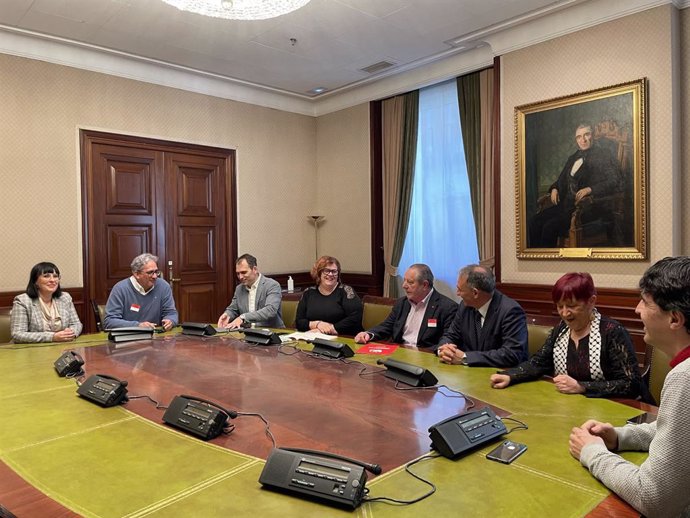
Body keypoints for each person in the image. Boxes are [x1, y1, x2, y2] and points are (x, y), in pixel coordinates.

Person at [568, 257, 690, 517]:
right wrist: (620, 437)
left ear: (675, 319)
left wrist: (592, 452)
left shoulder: (685, 377)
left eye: (645, 302)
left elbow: (653, 498)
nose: (636, 309)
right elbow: (677, 432)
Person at [490, 272, 650, 400]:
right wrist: (510, 376)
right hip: (571, 407)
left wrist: (581, 387)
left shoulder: (612, 331)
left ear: (591, 301)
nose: (565, 313)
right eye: (560, 306)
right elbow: (538, 363)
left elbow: (631, 384)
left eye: (572, 306)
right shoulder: (561, 330)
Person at [528, 122, 621, 248]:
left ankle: (547, 265)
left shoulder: (604, 155)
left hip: (589, 208)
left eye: (586, 135)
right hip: (566, 206)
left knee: (549, 227)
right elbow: (562, 179)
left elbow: (614, 180)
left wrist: (590, 189)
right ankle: (535, 265)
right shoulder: (573, 157)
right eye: (579, 137)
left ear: (592, 135)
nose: (583, 140)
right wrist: (555, 188)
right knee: (534, 221)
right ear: (576, 139)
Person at [437, 264, 527, 367]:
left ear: (475, 293)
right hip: (469, 374)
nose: (457, 293)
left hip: (501, 375)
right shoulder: (464, 306)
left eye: (460, 289)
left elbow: (511, 354)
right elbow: (451, 335)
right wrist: (444, 350)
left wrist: (465, 357)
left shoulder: (510, 311)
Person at [354, 264, 456, 350]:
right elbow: (386, 326)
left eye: (410, 282)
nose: (404, 285)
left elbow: (447, 340)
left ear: (425, 285)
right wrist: (368, 334)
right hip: (399, 352)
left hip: (426, 355)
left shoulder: (447, 307)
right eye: (404, 280)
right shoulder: (402, 303)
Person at [10, 262, 83, 343]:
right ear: (35, 281)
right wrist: (52, 337)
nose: (52, 280)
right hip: (30, 351)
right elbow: (17, 334)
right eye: (46, 276)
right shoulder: (22, 301)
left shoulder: (65, 297)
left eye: (55, 276)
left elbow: (76, 324)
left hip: (62, 347)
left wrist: (70, 333)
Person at [103, 253, 178, 330]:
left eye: (156, 272)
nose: (155, 276)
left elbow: (171, 313)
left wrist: (170, 321)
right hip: (129, 337)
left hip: (157, 337)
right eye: (150, 272)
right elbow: (109, 322)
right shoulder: (120, 289)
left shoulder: (163, 286)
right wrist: (138, 326)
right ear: (137, 274)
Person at [295, 256, 363, 336]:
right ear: (318, 273)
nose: (330, 274)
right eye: (326, 271)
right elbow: (299, 322)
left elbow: (355, 318)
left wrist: (328, 330)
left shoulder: (346, 291)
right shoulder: (308, 293)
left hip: (343, 337)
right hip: (312, 337)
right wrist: (318, 324)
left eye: (334, 271)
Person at [217, 254, 284, 329]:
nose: (240, 277)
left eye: (244, 272)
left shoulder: (272, 285)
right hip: (247, 333)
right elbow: (233, 309)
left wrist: (243, 318)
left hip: (272, 332)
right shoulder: (239, 289)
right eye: (238, 273)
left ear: (254, 269)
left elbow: (270, 310)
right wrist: (227, 315)